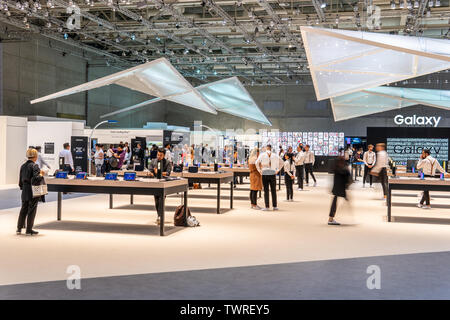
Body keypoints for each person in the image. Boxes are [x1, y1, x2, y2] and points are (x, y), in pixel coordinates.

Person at [17, 148, 45, 236]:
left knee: (23, 209)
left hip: (25, 189)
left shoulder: (23, 166)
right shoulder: (35, 166)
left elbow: (20, 181)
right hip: (32, 190)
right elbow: (36, 179)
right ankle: (29, 230)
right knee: (32, 209)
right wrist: (41, 174)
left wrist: (23, 188)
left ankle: (19, 228)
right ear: (35, 156)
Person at [255, 145, 283, 211]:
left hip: (265, 173)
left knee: (266, 190)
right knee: (273, 190)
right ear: (271, 149)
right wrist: (277, 170)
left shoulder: (262, 155)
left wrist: (259, 171)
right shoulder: (275, 155)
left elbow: (256, 163)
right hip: (273, 173)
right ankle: (275, 206)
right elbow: (282, 162)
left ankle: (267, 206)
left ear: (266, 148)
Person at [149, 148, 173, 224]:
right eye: (158, 155)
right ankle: (159, 215)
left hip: (163, 184)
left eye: (161, 155)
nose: (159, 156)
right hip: (155, 183)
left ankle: (160, 216)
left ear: (164, 155)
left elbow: (168, 173)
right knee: (156, 200)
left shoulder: (167, 162)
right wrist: (150, 173)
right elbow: (150, 170)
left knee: (161, 200)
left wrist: (159, 172)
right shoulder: (153, 161)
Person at [328, 156, 352, 226]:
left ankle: (331, 218)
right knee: (335, 202)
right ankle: (331, 218)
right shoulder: (344, 169)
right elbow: (348, 179)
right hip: (341, 188)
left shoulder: (336, 168)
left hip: (336, 187)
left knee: (334, 201)